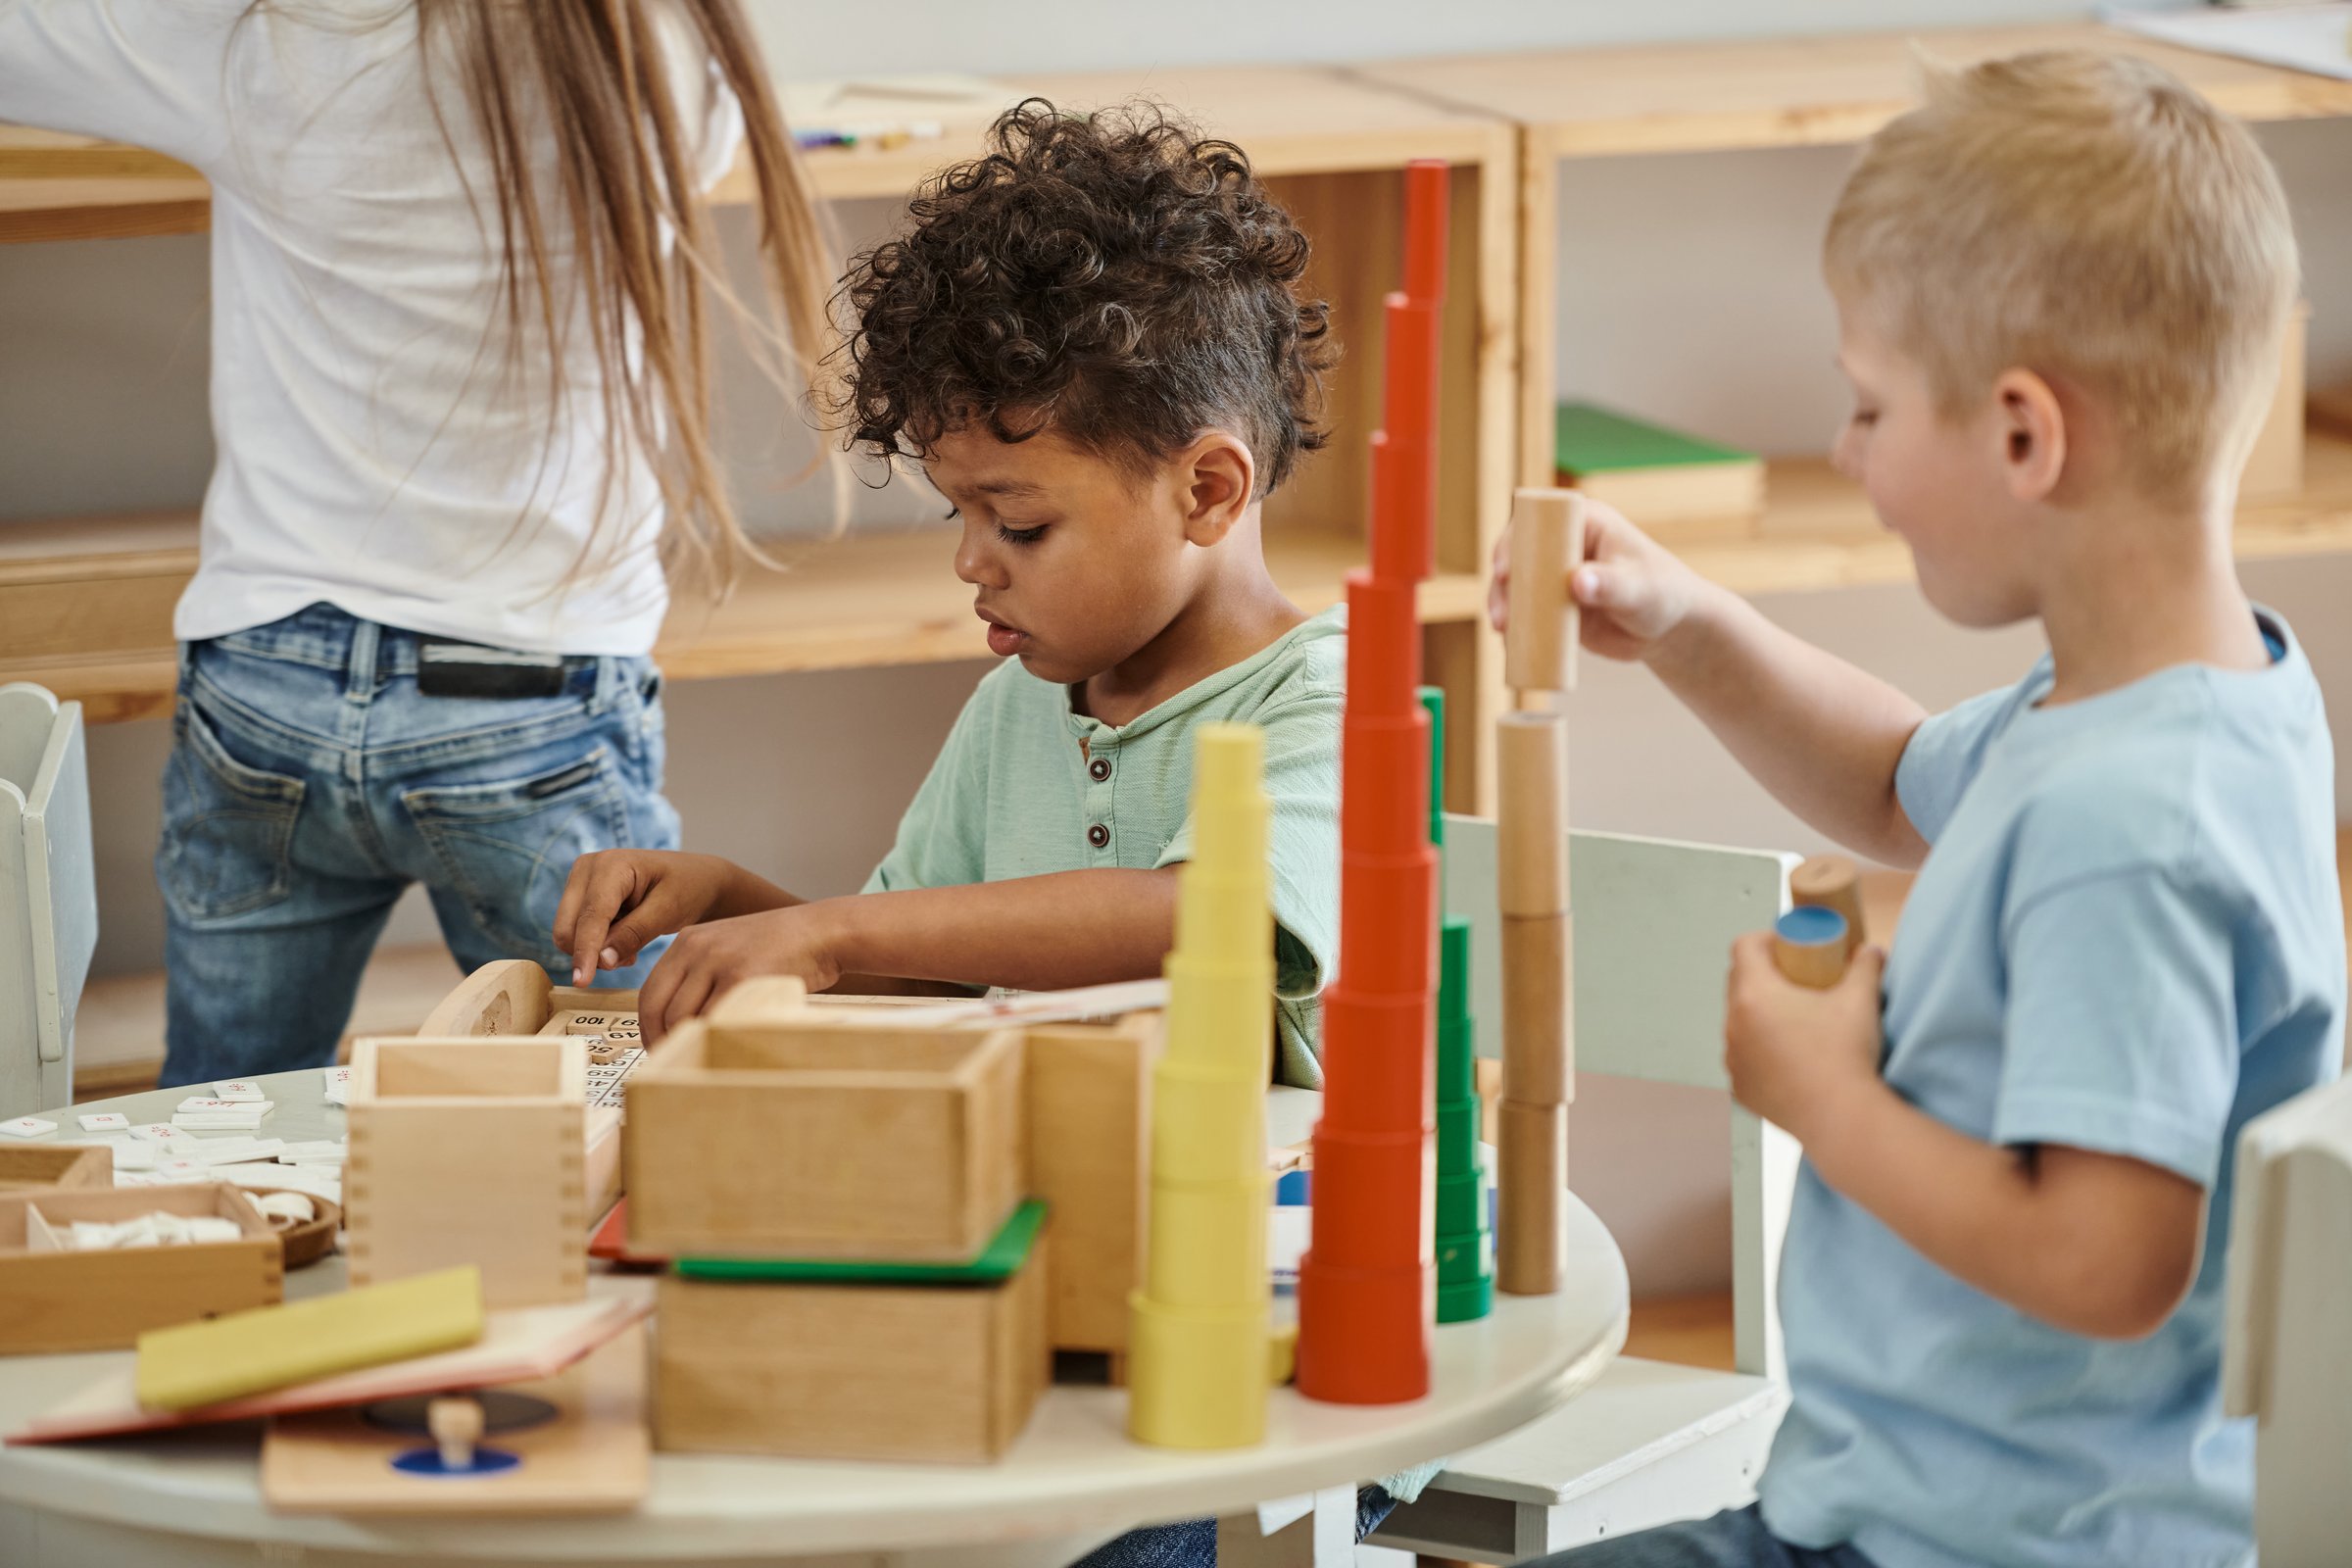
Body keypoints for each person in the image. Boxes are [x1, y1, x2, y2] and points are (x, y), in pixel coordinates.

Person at [1494, 50, 2344, 1568]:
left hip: (1988, 1545)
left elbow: (2110, 1257)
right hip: (1925, 1510)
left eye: (1872, 407)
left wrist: (1819, 1091)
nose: (1846, 453)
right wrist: (1691, 623)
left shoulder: (2131, 823)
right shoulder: (2174, 701)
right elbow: (1895, 777)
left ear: (2025, 435)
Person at [0, 0, 836, 1086]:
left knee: (217, 1125)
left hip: (268, 691)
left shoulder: (260, 42)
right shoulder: (653, 56)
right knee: (619, 1121)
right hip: (531, 706)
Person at [559, 100, 1348, 1089]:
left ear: (1207, 491)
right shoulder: (1019, 704)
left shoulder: (1336, 701)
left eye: (1018, 524)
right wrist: (734, 906)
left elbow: (1202, 918)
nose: (975, 563)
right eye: (958, 518)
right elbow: (919, 976)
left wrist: (829, 932)